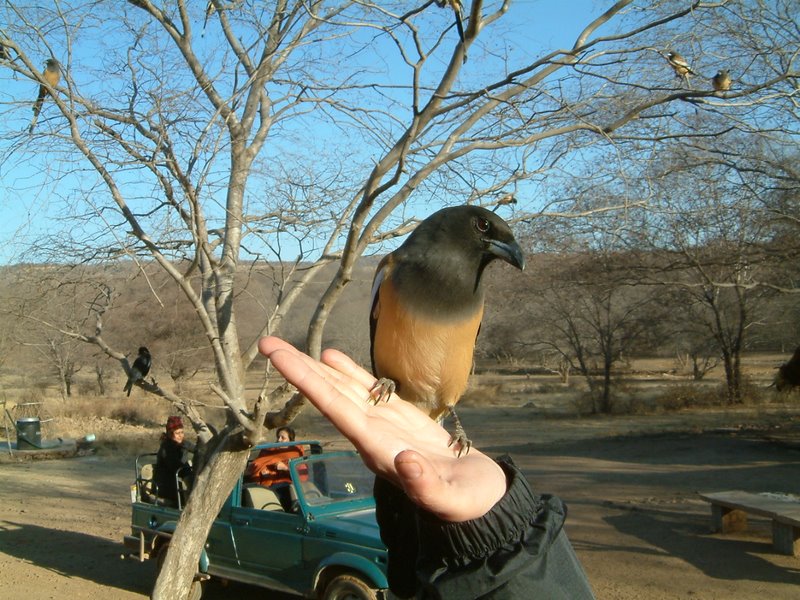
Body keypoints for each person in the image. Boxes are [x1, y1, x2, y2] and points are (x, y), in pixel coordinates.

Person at [258, 336, 595, 599]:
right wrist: (497, 529)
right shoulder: (392, 271)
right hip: (390, 399)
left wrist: (494, 520)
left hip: (428, 423)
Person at [246, 425, 302, 510]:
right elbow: (256, 465)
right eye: (278, 437)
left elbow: (302, 476)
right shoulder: (268, 451)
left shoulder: (296, 454)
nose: (279, 440)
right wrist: (266, 475)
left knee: (286, 491)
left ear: (290, 440)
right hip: (268, 485)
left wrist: (285, 468)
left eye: (283, 438)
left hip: (286, 485)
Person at [154, 416, 193, 507]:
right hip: (166, 485)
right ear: (170, 434)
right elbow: (176, 467)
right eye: (177, 433)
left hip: (178, 481)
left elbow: (197, 449)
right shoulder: (166, 448)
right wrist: (191, 471)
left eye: (182, 432)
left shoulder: (184, 443)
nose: (180, 435)